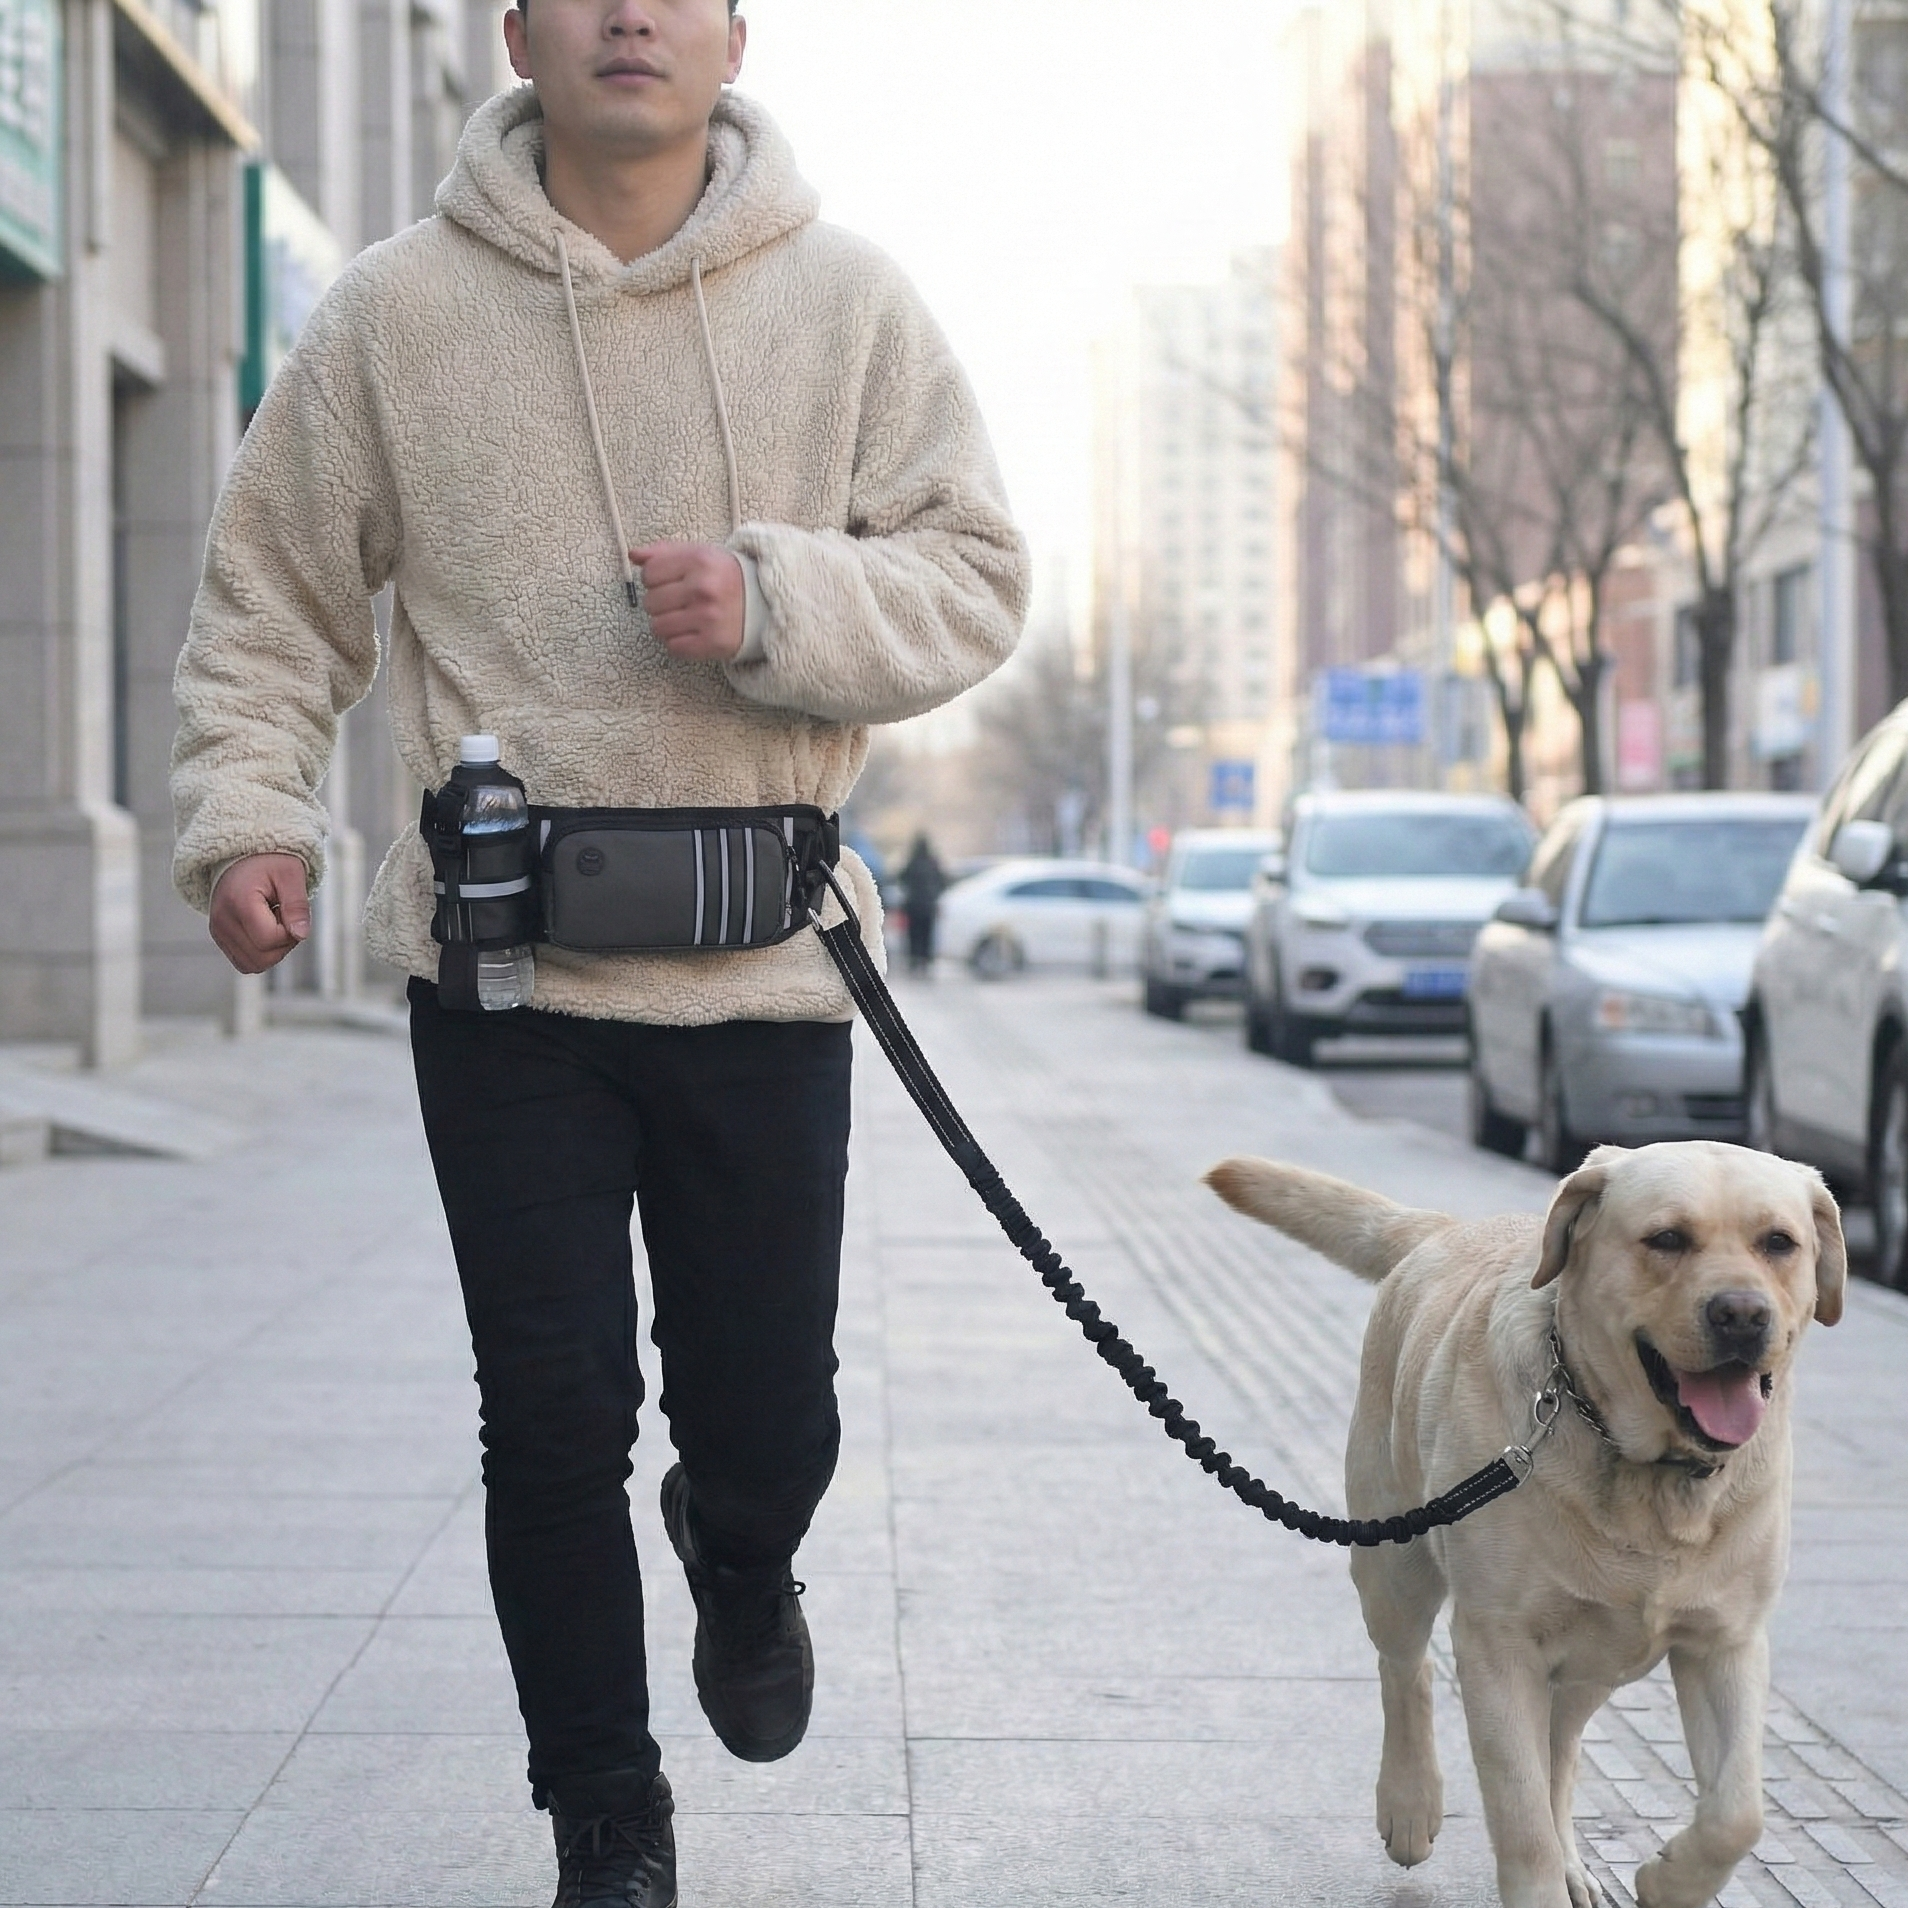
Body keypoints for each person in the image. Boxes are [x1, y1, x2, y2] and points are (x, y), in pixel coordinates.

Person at [169, 3, 1029, 1902]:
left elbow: (976, 572)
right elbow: (273, 588)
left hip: (766, 971)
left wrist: (779, 589)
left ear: (733, 36)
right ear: (515, 33)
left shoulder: (852, 302)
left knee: (766, 1415)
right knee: (548, 1410)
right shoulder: (394, 311)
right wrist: (244, 811)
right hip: (504, 978)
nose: (626, 12)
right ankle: (606, 1813)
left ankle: (739, 1551)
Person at [898, 832, 947, 974]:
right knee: (927, 933)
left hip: (913, 905)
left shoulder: (912, 862)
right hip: (929, 905)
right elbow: (943, 881)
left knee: (914, 934)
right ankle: (925, 960)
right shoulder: (933, 863)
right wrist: (934, 894)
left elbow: (901, 878)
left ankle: (914, 959)